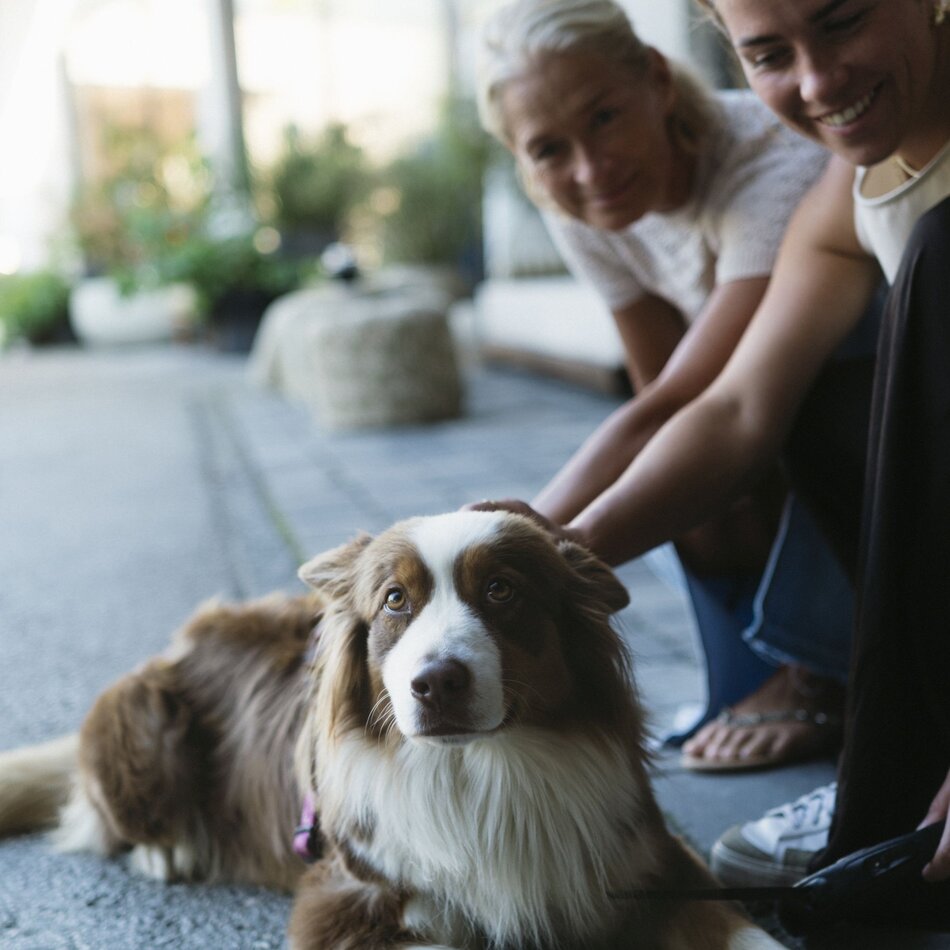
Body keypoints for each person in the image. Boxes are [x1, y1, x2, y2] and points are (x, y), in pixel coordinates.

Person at [479, 0, 950, 927]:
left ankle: (862, 722)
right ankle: (894, 762)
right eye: (772, 53)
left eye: (844, 20)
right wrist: (553, 554)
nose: (817, 83)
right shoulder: (845, 192)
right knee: (796, 399)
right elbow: (729, 408)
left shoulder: (782, 173)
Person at [476, 0, 856, 773]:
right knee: (690, 495)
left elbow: (696, 397)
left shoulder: (771, 157)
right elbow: (655, 394)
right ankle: (769, 664)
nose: (591, 167)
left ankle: (824, 669)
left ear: (655, 77)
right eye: (549, 149)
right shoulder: (583, 200)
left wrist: (528, 542)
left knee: (765, 422)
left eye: (607, 116)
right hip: (731, 398)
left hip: (844, 386)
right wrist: (516, 548)